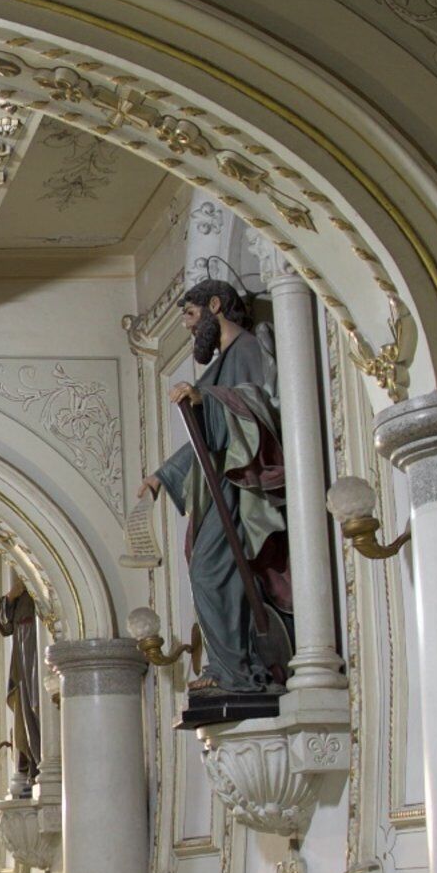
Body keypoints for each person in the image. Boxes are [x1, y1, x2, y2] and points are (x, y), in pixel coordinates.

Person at [141, 280, 294, 724]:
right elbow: (201, 441)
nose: (190, 328)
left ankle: (240, 670)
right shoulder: (220, 363)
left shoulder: (245, 348)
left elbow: (259, 405)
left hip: (242, 480)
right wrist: (161, 476)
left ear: (214, 306)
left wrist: (206, 397)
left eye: (190, 316)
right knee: (206, 568)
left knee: (211, 569)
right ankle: (229, 666)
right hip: (220, 479)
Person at [0, 585, 43, 797]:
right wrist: (10, 597)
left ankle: (41, 763)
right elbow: (5, 626)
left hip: (37, 648)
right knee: (26, 710)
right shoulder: (18, 597)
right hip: (23, 652)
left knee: (37, 703)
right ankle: (35, 765)